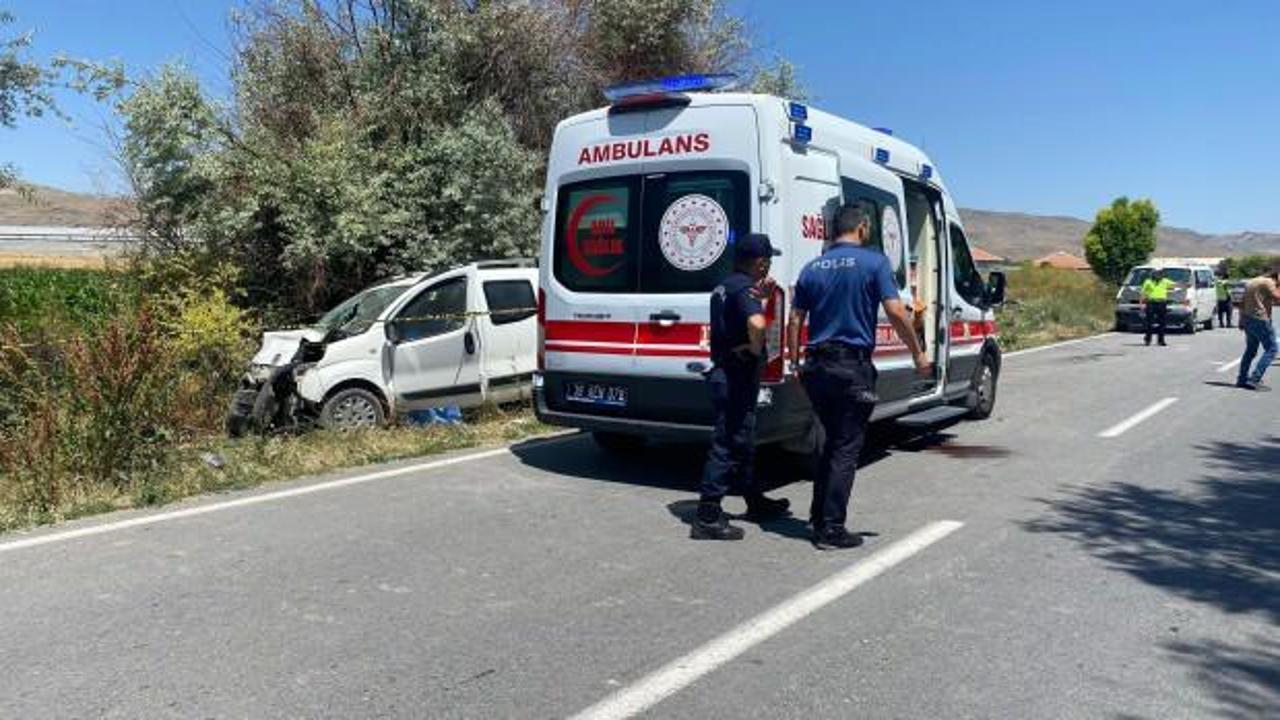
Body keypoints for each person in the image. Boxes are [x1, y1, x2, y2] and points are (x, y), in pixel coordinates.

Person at [787, 203, 932, 550]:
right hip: (851, 366)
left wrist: (795, 363)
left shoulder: (811, 267)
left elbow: (795, 320)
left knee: (828, 442)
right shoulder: (874, 262)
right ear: (864, 228)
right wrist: (917, 351)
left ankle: (818, 516)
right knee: (846, 448)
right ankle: (831, 529)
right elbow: (896, 311)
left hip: (816, 366)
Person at [691, 233, 792, 540]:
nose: (769, 266)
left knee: (743, 439)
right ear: (759, 262)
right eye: (768, 261)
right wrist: (753, 348)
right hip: (735, 375)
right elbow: (757, 325)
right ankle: (707, 515)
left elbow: (737, 316)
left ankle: (754, 499)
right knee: (726, 441)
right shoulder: (743, 289)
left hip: (727, 373)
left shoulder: (725, 286)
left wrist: (759, 299)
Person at [1235, 263, 1280, 391]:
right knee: (1272, 349)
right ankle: (1255, 378)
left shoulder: (1251, 282)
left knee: (1250, 351)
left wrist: (1241, 320)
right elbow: (1278, 298)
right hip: (1259, 319)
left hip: (1248, 319)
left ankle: (1241, 379)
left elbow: (1242, 303)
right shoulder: (1268, 282)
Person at [1140, 269, 1175, 346]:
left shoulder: (1165, 281)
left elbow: (1174, 285)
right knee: (1149, 322)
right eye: (1156, 274)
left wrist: (1185, 284)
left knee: (1162, 323)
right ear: (1153, 275)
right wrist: (1142, 304)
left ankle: (1161, 340)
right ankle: (1148, 339)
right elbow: (1143, 293)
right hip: (1151, 302)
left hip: (1161, 303)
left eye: (1160, 275)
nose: (1158, 276)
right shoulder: (1148, 281)